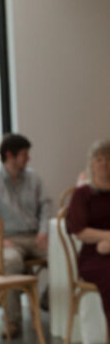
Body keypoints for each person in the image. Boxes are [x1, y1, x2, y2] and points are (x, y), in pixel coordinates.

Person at [0, 133, 50, 338]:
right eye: (24, 155)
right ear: (10, 156)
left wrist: (43, 231)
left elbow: (46, 206)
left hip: (34, 237)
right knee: (11, 263)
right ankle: (13, 322)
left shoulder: (33, 178)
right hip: (10, 241)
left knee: (63, 255)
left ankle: (47, 300)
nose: (28, 158)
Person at [66, 139, 110, 331]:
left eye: (108, 159)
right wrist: (107, 237)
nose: (104, 164)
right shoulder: (82, 194)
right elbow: (80, 231)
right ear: (92, 164)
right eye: (99, 159)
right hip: (93, 257)